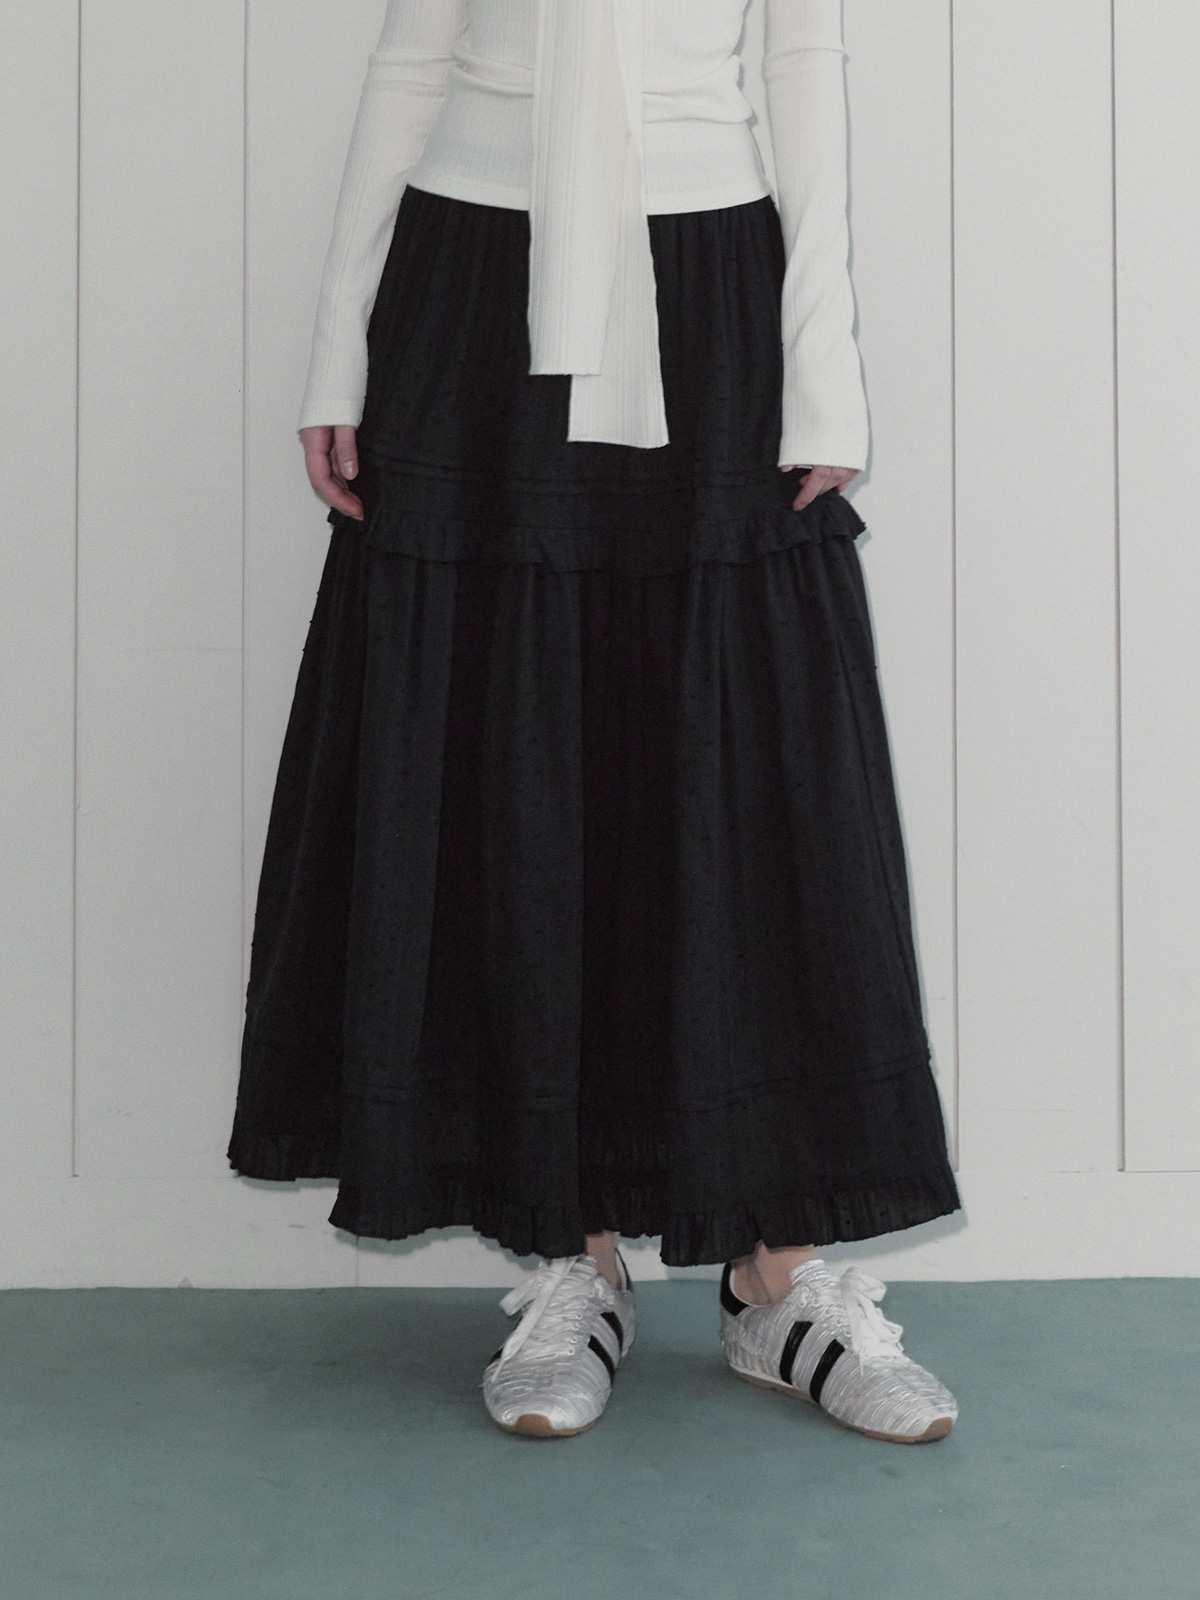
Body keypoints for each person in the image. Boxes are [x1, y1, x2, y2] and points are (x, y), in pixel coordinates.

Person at [227, 0, 963, 1445]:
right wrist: (336, 350)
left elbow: (802, 62)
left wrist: (823, 364)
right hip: (470, 281)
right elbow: (414, 55)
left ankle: (778, 1275)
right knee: (507, 757)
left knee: (749, 766)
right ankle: (574, 1252)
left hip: (710, 274)